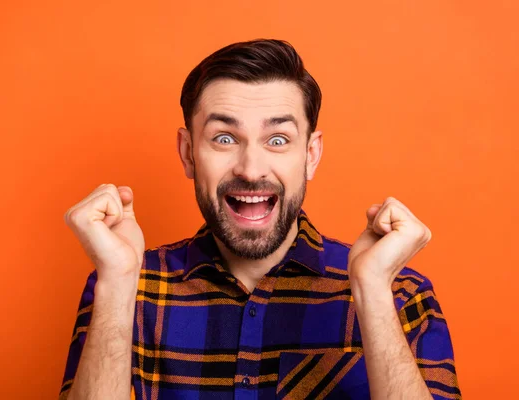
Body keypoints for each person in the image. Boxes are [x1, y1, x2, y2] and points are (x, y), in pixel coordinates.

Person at [59, 39, 462, 400]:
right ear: (187, 153)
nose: (251, 169)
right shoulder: (125, 284)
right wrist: (116, 283)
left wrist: (372, 292)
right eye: (224, 138)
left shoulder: (400, 294)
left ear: (310, 154)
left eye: (277, 140)